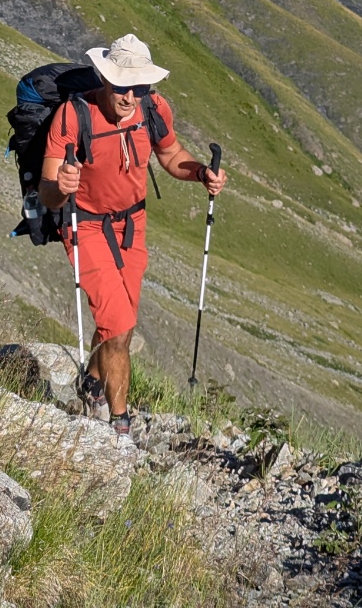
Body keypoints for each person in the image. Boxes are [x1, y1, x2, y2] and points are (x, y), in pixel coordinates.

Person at [38, 33, 226, 435]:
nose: (129, 96)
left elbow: (172, 155)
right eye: (122, 87)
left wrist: (200, 173)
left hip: (132, 226)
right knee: (119, 330)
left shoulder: (153, 108)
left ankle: (91, 380)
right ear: (105, 80)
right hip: (85, 225)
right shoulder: (74, 115)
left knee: (121, 319)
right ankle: (120, 424)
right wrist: (62, 186)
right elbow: (47, 192)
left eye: (138, 88)